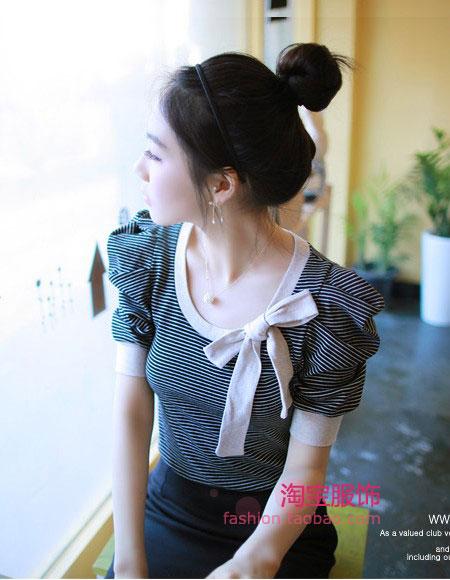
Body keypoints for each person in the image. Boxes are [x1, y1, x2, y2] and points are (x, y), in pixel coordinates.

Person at [105, 43, 385, 579]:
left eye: (156, 155)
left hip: (275, 524)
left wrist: (252, 563)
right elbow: (131, 415)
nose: (140, 168)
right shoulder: (146, 260)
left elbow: (306, 470)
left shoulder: (325, 308)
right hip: (170, 507)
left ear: (221, 184)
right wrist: (129, 560)